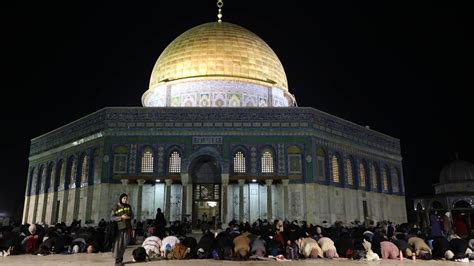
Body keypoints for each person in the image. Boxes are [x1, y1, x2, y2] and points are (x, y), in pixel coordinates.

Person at [111, 193, 134, 266]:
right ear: (121, 199)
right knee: (118, 244)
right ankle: (117, 260)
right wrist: (121, 217)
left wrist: (128, 217)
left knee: (124, 243)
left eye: (126, 198)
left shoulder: (128, 206)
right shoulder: (116, 206)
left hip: (127, 228)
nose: (125, 200)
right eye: (124, 198)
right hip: (119, 228)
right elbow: (112, 217)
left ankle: (120, 258)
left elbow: (132, 215)